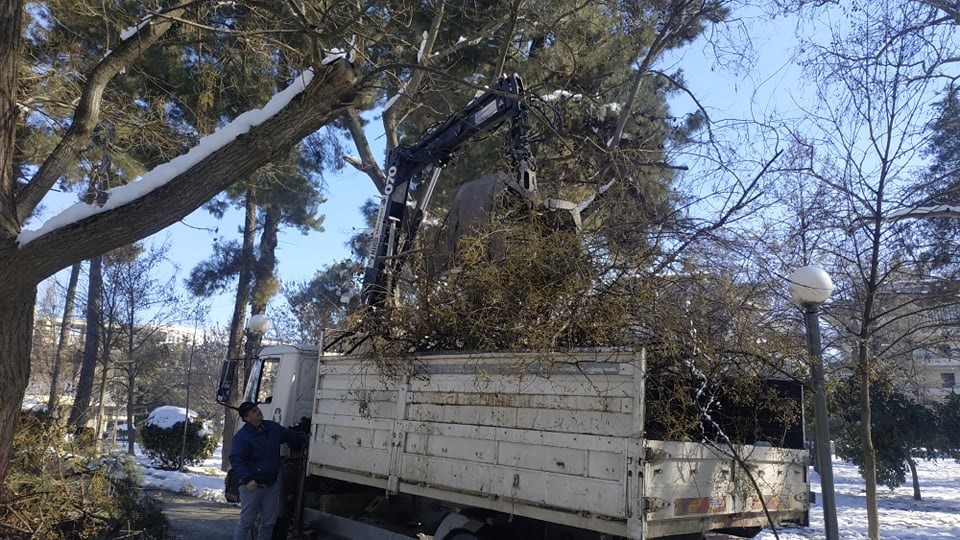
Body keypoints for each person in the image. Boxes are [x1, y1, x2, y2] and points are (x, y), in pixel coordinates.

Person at [230, 401, 307, 540]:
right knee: (247, 522)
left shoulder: (272, 428)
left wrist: (303, 436)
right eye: (253, 411)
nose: (258, 412)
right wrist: (248, 479)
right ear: (246, 418)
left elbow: (289, 435)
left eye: (257, 409)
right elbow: (236, 459)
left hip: (271, 485)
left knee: (269, 522)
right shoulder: (242, 437)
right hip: (252, 486)